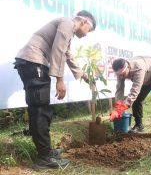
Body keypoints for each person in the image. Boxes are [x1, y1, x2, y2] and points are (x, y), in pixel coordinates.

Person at [14, 10, 96, 169]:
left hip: (32, 63)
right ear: (84, 21)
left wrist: (85, 77)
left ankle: (46, 152)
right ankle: (43, 158)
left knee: (40, 109)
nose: (87, 34)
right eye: (89, 30)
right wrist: (60, 79)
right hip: (34, 62)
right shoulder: (68, 23)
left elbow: (67, 54)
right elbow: (58, 49)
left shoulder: (68, 29)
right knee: (40, 110)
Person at [111, 56, 151, 142]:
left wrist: (121, 109)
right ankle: (139, 125)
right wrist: (118, 106)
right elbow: (119, 89)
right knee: (137, 99)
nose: (121, 77)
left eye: (123, 74)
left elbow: (134, 92)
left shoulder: (138, 68)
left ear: (128, 67)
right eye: (119, 75)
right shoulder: (120, 72)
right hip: (148, 77)